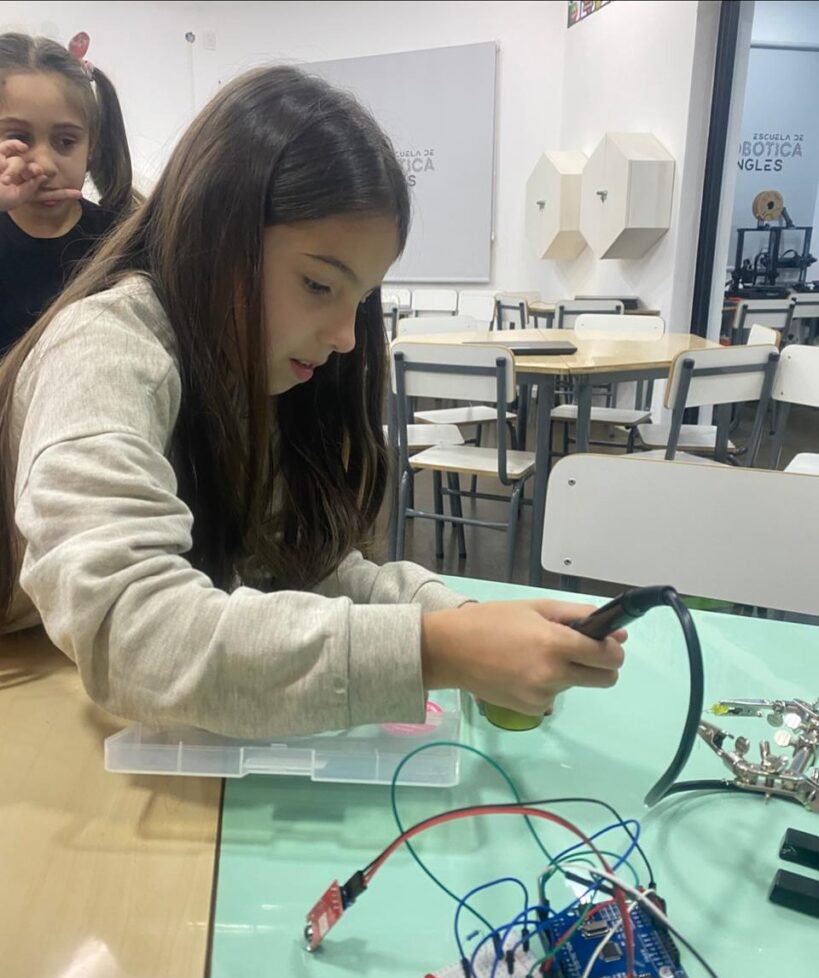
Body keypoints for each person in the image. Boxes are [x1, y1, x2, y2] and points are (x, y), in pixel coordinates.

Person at [0, 65, 625, 738]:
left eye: (361, 299)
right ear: (217, 235)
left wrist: (456, 619)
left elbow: (291, 560)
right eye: (319, 285)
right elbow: (135, 632)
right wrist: (434, 651)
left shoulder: (238, 366)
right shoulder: (103, 350)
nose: (345, 337)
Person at [0, 33, 137, 355]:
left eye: (65, 142)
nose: (44, 165)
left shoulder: (121, 240)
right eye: (20, 138)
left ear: (92, 145)